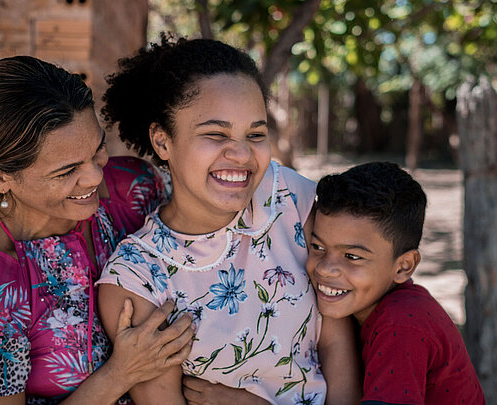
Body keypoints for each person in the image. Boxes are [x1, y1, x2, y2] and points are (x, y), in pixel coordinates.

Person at [97, 33, 360, 405]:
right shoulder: (137, 277)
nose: (241, 154)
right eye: (216, 133)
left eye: (256, 134)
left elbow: (334, 335)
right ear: (162, 141)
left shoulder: (290, 198)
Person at [0, 56, 194, 404]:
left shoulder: (134, 189)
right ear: (0, 177)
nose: (96, 177)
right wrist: (121, 373)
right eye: (66, 171)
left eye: (98, 149)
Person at [306, 161, 485, 404]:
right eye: (317, 247)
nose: (326, 268)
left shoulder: (400, 323)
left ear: (404, 266)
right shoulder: (364, 307)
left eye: (352, 256)